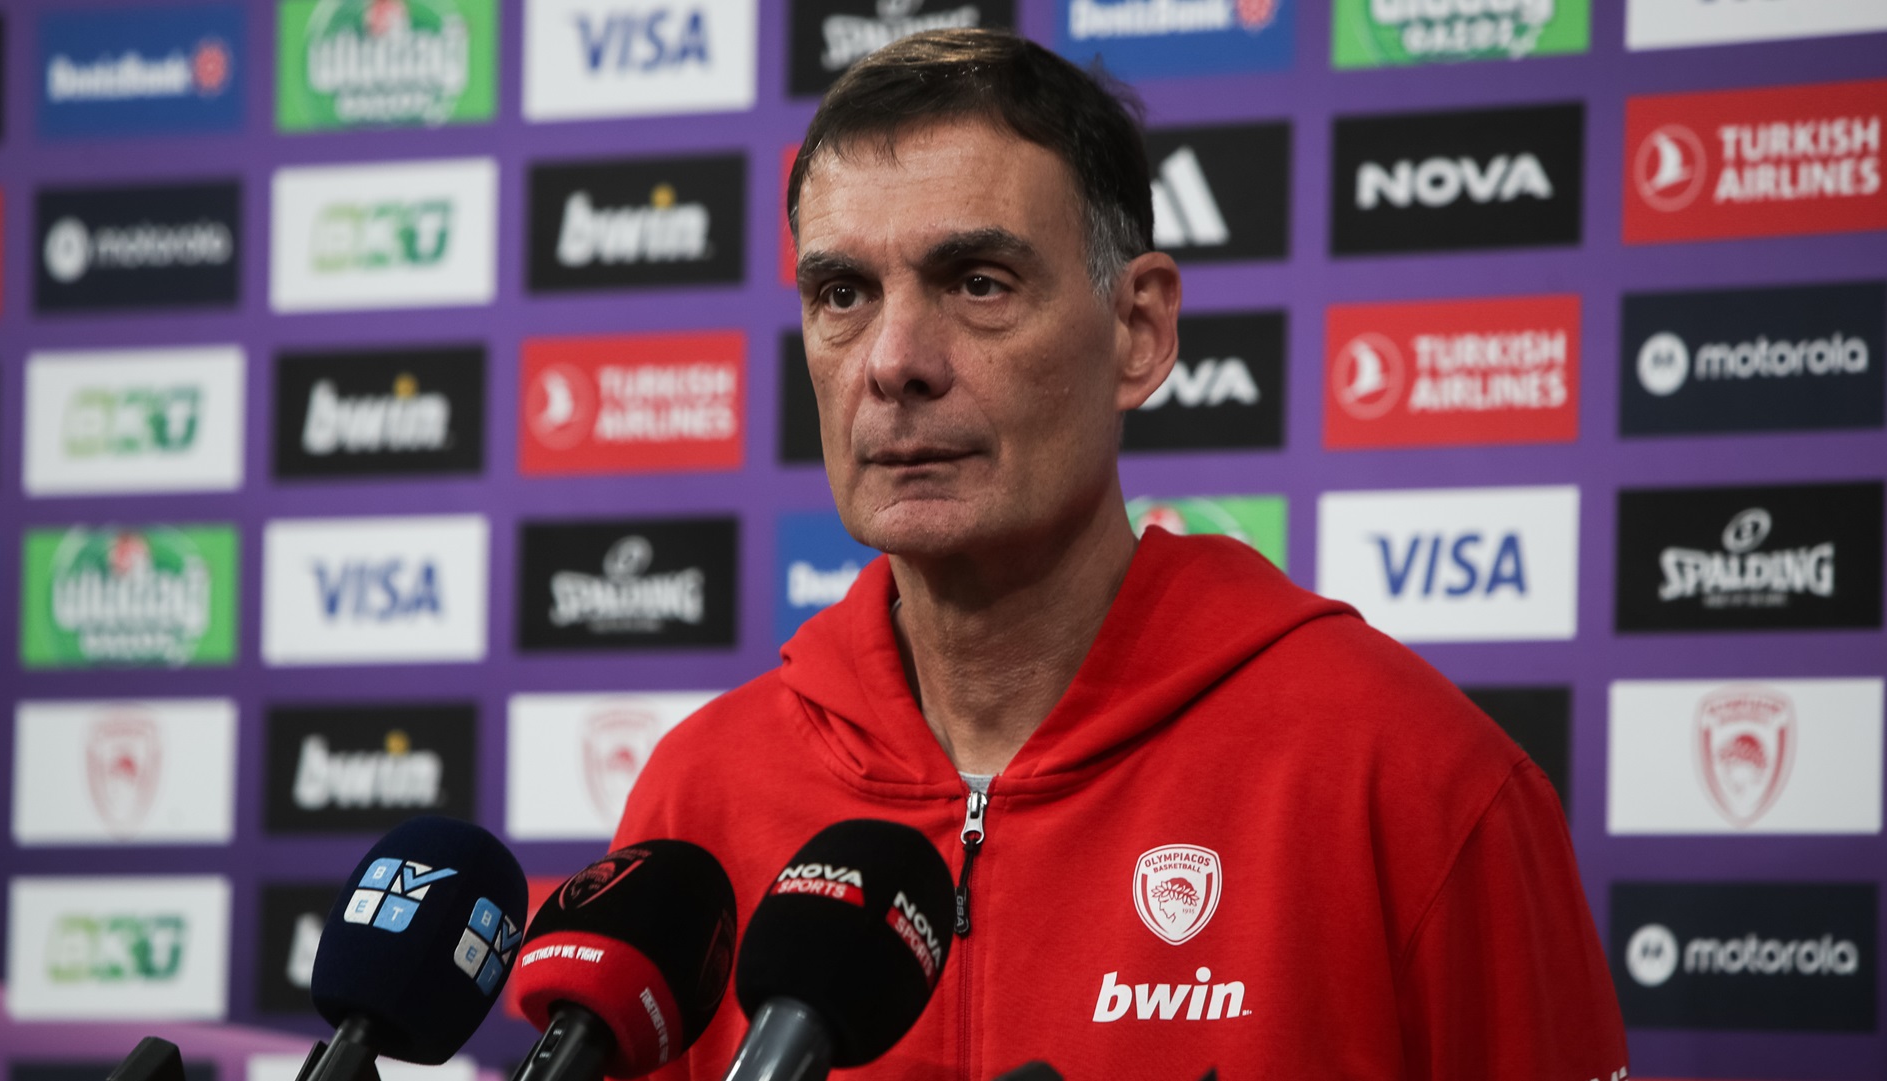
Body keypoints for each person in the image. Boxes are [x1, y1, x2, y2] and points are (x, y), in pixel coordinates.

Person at [616, 28, 1630, 1080]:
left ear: (1139, 329)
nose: (895, 360)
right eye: (842, 294)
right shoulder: (699, 800)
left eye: (978, 282)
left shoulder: (1412, 777)